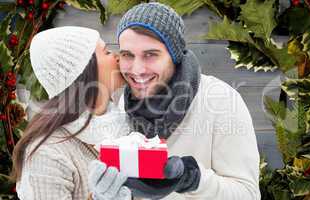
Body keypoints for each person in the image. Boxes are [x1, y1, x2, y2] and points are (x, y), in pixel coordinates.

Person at [112, 2, 261, 199]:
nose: (137, 69)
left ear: (174, 56)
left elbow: (247, 194)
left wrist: (193, 180)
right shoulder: (125, 104)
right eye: (127, 55)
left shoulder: (220, 100)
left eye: (151, 55)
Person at [11, 26, 132, 200]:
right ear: (84, 73)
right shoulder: (47, 155)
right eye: (106, 52)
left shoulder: (125, 127)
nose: (117, 57)